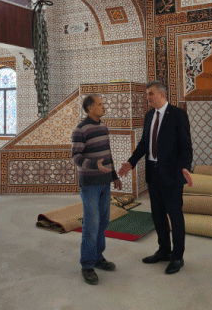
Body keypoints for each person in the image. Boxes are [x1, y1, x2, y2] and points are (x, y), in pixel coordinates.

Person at [118, 81, 193, 275]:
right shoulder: (149, 116)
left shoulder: (178, 115)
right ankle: (164, 250)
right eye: (147, 94)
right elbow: (144, 143)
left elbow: (186, 146)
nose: (148, 97)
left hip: (172, 175)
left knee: (175, 216)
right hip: (153, 174)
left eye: (150, 94)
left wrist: (185, 168)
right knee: (157, 215)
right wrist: (131, 162)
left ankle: (177, 257)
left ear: (161, 94)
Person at [72, 94, 123, 285]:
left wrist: (114, 175)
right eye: (100, 104)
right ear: (90, 108)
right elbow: (76, 157)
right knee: (91, 224)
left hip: (105, 182)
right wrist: (95, 166)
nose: (104, 107)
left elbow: (107, 154)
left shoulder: (103, 127)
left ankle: (98, 257)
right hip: (90, 184)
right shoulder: (80, 129)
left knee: (103, 221)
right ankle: (87, 265)